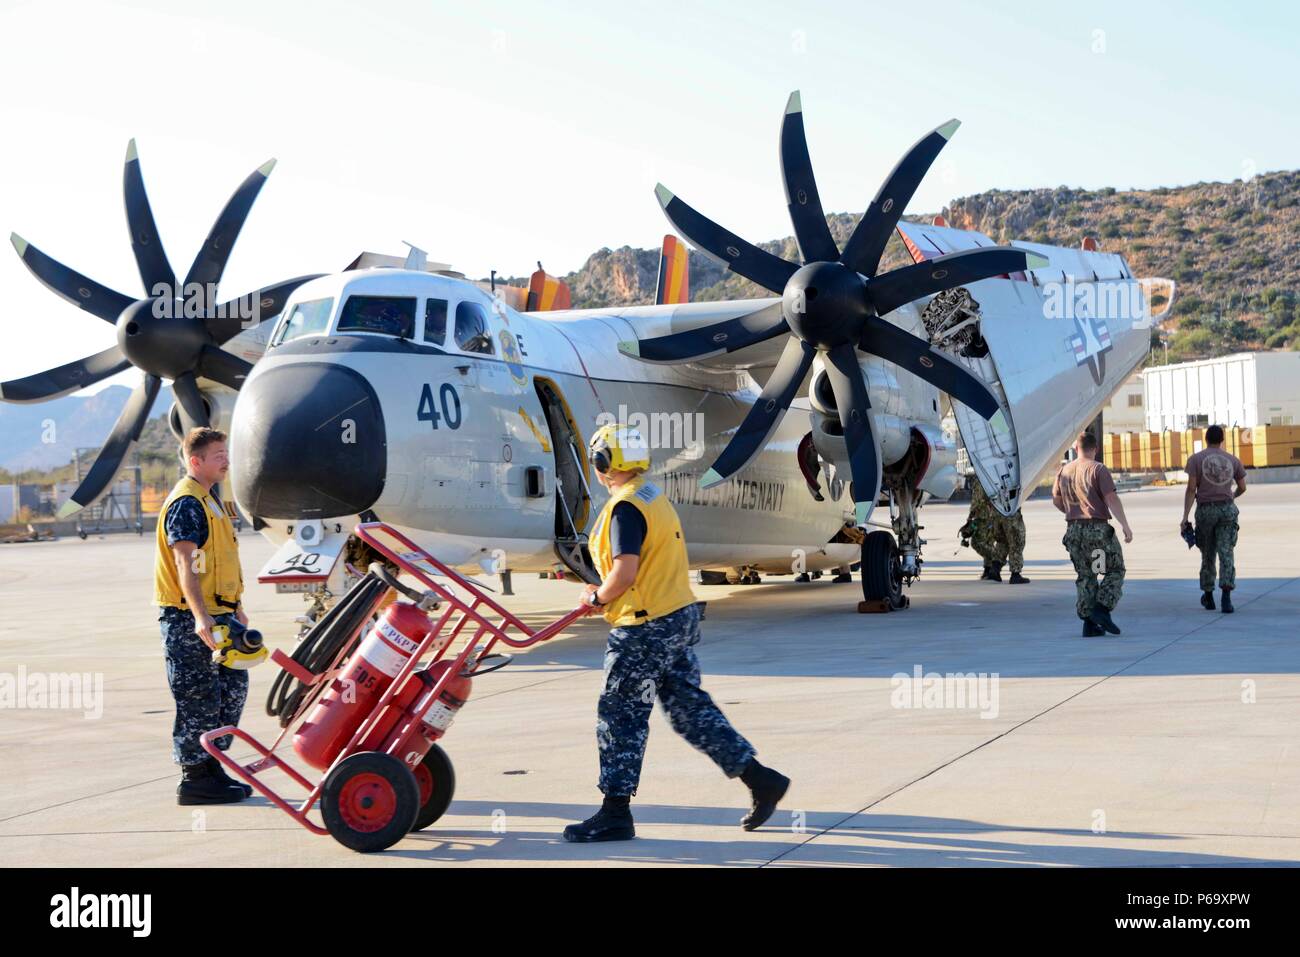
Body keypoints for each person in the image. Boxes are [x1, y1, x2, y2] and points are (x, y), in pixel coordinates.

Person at [564, 424, 790, 842]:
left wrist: (596, 598)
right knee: (689, 711)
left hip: (644, 625)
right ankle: (761, 779)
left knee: (621, 716)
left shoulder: (625, 508)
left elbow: (625, 571)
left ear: (602, 463)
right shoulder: (652, 496)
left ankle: (615, 813)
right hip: (676, 618)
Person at [154, 427, 252, 804]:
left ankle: (212, 765)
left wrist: (236, 608)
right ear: (195, 461)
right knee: (197, 697)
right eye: (217, 456)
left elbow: (220, 562)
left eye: (226, 453)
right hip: (189, 618)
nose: (226, 460)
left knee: (231, 688)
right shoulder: (187, 503)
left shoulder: (211, 500)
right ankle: (194, 778)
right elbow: (186, 565)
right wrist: (199, 617)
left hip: (221, 614)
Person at [1051, 431, 1133, 637]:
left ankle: (1089, 624)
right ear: (1095, 448)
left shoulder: (1064, 471)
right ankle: (1102, 609)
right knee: (1114, 569)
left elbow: (1056, 500)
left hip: (1074, 531)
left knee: (1086, 574)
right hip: (1096, 531)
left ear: (1076, 449)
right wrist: (1125, 525)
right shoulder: (1098, 469)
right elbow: (1111, 499)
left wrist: (1072, 513)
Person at [1181, 424, 1247, 613]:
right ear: (1222, 440)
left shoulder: (1195, 460)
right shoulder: (1233, 460)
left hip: (1206, 511)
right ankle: (1226, 597)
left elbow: (1191, 489)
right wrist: (1231, 497)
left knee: (1208, 553)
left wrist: (1185, 516)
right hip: (1227, 510)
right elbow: (1243, 487)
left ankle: (1208, 596)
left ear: (1206, 439)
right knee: (1226, 552)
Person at [962, 479, 1030, 583]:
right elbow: (979, 500)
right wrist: (972, 517)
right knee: (1016, 542)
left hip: (996, 514)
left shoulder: (985, 476)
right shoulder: (1002, 475)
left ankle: (995, 570)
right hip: (1009, 511)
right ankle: (1015, 574)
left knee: (1002, 543)